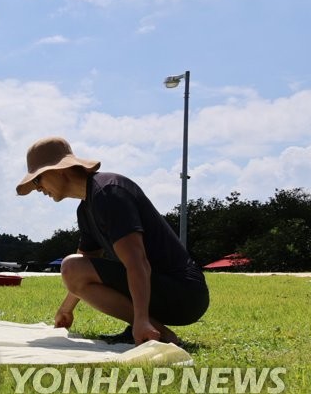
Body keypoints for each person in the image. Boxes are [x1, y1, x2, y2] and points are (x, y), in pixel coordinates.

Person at [16, 136, 209, 346]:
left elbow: (137, 262)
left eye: (37, 180)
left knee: (70, 265)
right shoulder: (87, 207)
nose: (38, 189)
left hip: (184, 293)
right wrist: (66, 310)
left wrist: (142, 320)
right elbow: (85, 264)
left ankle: (156, 331)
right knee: (74, 265)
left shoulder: (109, 193)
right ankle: (150, 326)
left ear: (59, 170)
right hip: (161, 290)